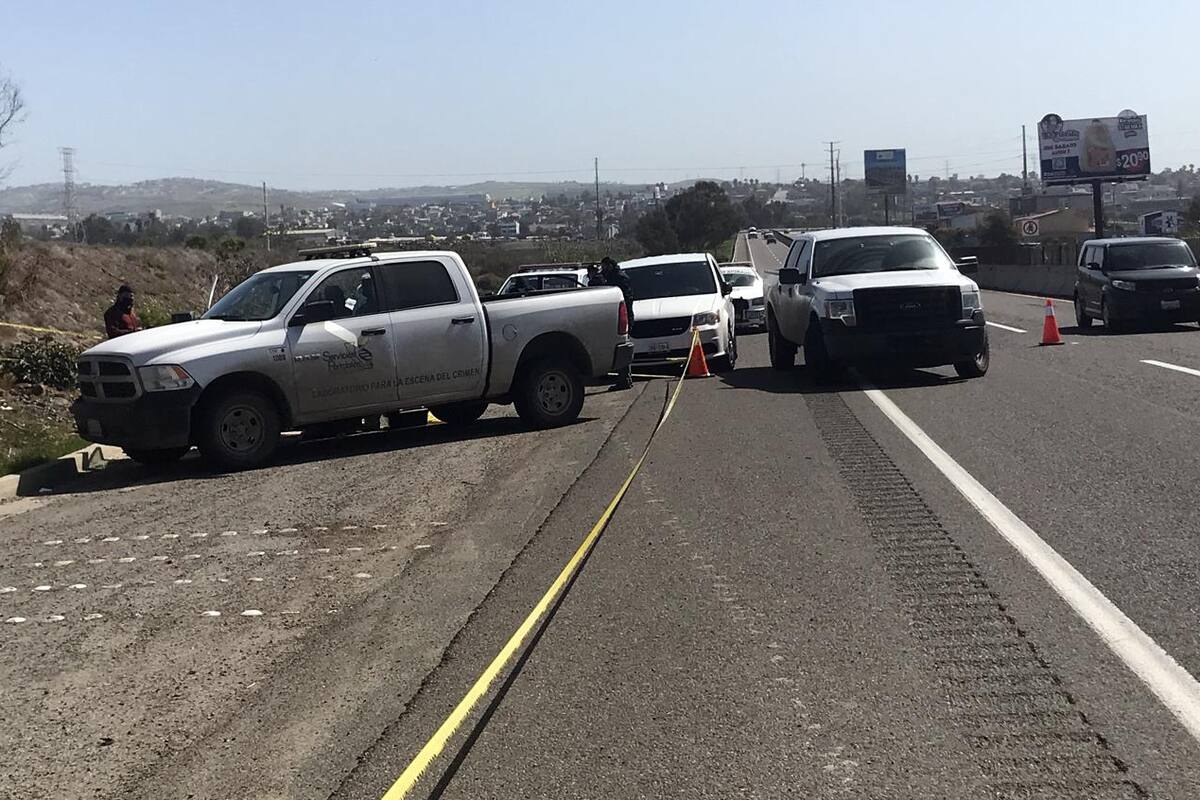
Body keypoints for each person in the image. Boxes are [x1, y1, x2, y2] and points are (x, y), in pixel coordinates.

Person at [600, 257, 634, 390]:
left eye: (604, 267)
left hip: (622, 317)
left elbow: (625, 299)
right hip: (622, 316)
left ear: (609, 265)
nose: (602, 270)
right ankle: (626, 378)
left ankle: (624, 379)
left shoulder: (619, 278)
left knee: (621, 349)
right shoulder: (615, 276)